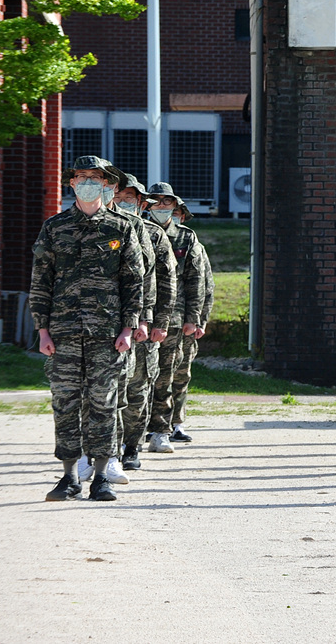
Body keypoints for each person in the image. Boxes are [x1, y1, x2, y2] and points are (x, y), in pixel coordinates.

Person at [30, 156, 144, 502]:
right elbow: (41, 281)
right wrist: (43, 330)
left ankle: (100, 476)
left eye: (95, 177)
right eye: (82, 177)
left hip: (107, 335)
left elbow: (133, 282)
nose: (88, 182)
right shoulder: (55, 227)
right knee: (65, 403)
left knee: (103, 403)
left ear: (107, 183)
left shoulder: (121, 228)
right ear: (72, 183)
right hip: (63, 333)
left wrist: (128, 327)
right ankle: (68, 476)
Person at [111, 174, 177, 473]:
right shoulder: (105, 228)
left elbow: (166, 282)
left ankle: (131, 446)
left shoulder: (154, 235)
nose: (125, 203)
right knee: (109, 390)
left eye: (131, 198)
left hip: (144, 327)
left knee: (138, 388)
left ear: (141, 202)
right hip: (109, 325)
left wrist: (160, 322)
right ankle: (105, 449)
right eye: (120, 197)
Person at [144, 183, 208, 454]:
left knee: (168, 377)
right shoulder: (137, 230)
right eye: (155, 201)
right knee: (138, 377)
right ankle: (135, 430)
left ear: (175, 206)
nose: (160, 206)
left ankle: (163, 428)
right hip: (140, 317)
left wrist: (195, 318)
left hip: (174, 319)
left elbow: (198, 282)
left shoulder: (185, 237)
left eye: (166, 202)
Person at [168, 198, 214, 445]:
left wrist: (200, 320)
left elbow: (205, 287)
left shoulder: (193, 245)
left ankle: (176, 423)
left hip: (185, 321)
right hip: (156, 322)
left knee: (180, 374)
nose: (172, 215)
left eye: (177, 212)